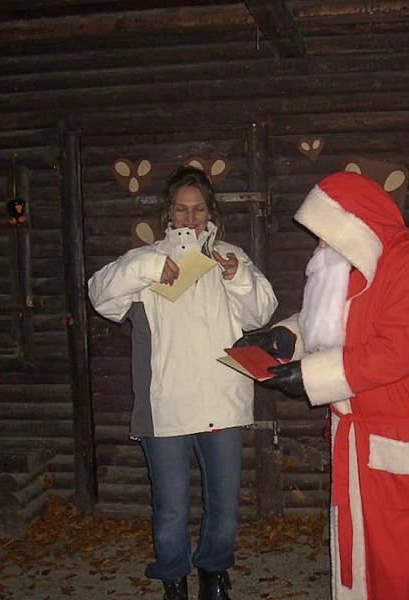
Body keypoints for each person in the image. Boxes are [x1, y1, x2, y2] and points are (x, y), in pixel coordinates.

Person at [235, 171, 409, 599]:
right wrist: (286, 337)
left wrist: (309, 377)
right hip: (366, 435)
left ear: (351, 226)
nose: (319, 245)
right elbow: (333, 321)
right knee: (369, 556)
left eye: (325, 234)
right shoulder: (358, 263)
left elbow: (397, 350)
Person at [88, 166, 277, 600]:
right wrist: (151, 267)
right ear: (168, 213)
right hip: (166, 405)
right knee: (171, 508)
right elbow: (100, 295)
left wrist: (237, 277)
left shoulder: (229, 257)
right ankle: (174, 579)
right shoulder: (147, 260)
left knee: (224, 506)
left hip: (222, 401)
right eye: (181, 209)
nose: (190, 218)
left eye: (198, 209)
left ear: (211, 212)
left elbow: (260, 312)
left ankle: (214, 573)